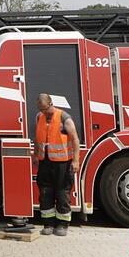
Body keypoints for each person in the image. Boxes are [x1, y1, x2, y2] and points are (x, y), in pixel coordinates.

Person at [32, 93, 80, 236]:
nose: (43, 112)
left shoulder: (64, 118)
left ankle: (62, 225)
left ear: (50, 103)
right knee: (45, 193)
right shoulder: (39, 117)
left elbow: (75, 139)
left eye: (45, 109)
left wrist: (76, 160)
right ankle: (48, 224)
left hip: (62, 164)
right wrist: (35, 155)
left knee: (62, 193)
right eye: (41, 109)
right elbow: (37, 138)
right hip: (45, 162)